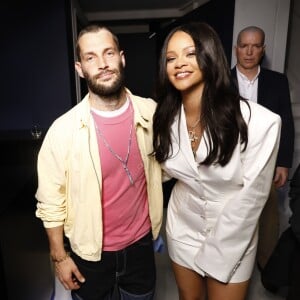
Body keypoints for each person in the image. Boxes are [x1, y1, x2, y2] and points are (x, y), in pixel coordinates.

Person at [153, 22, 281, 300]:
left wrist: (218, 252)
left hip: (234, 231)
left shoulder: (260, 122)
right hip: (182, 227)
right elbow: (161, 170)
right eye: (171, 58)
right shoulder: (164, 118)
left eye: (190, 53)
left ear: (210, 56)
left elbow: (253, 197)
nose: (179, 63)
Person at [35, 24, 163, 300]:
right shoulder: (62, 130)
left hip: (140, 245)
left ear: (122, 57)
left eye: (109, 53)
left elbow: (166, 169)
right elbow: (50, 202)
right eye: (91, 57)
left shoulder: (151, 113)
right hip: (89, 253)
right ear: (80, 68)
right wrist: (59, 257)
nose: (103, 64)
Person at [231, 26, 295, 270]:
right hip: (232, 162)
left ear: (263, 49)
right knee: (233, 214)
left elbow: (286, 123)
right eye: (244, 46)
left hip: (266, 161)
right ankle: (234, 261)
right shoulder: (221, 81)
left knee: (268, 215)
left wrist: (284, 162)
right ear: (236, 48)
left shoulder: (277, 82)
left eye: (255, 46)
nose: (249, 52)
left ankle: (267, 265)